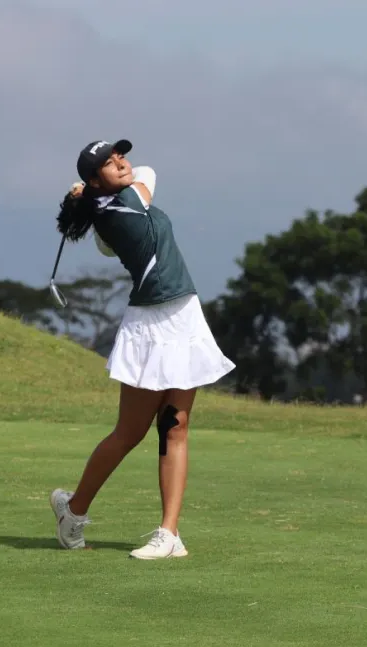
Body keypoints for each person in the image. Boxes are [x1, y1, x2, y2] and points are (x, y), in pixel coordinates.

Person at [49, 138, 236, 560]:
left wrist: (84, 192)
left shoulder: (107, 208)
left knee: (175, 425)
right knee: (130, 432)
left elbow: (132, 189)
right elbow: (149, 173)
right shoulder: (124, 200)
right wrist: (88, 194)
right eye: (108, 162)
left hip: (184, 316)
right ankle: (73, 511)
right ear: (94, 179)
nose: (121, 162)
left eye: (120, 156)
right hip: (151, 327)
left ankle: (169, 534)